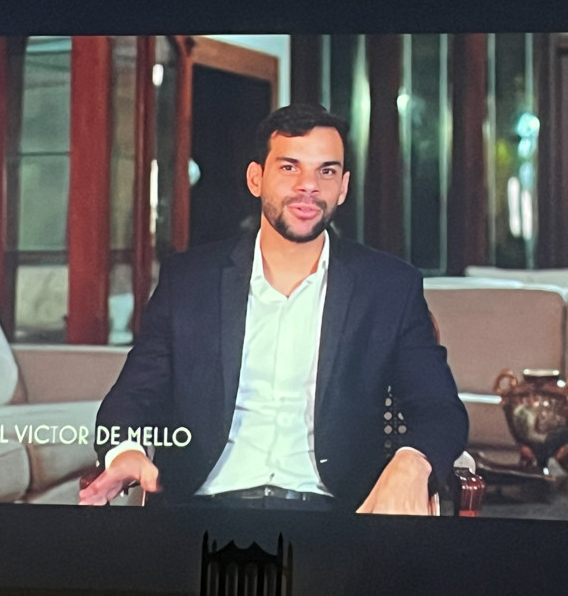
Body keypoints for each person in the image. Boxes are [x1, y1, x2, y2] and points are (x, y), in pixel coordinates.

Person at [79, 104, 467, 514]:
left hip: (336, 516)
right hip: (202, 510)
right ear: (256, 178)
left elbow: (440, 410)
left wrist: (411, 463)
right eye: (289, 168)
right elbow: (131, 398)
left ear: (343, 187)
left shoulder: (388, 286)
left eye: (326, 171)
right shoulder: (190, 281)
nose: (308, 186)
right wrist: (126, 452)